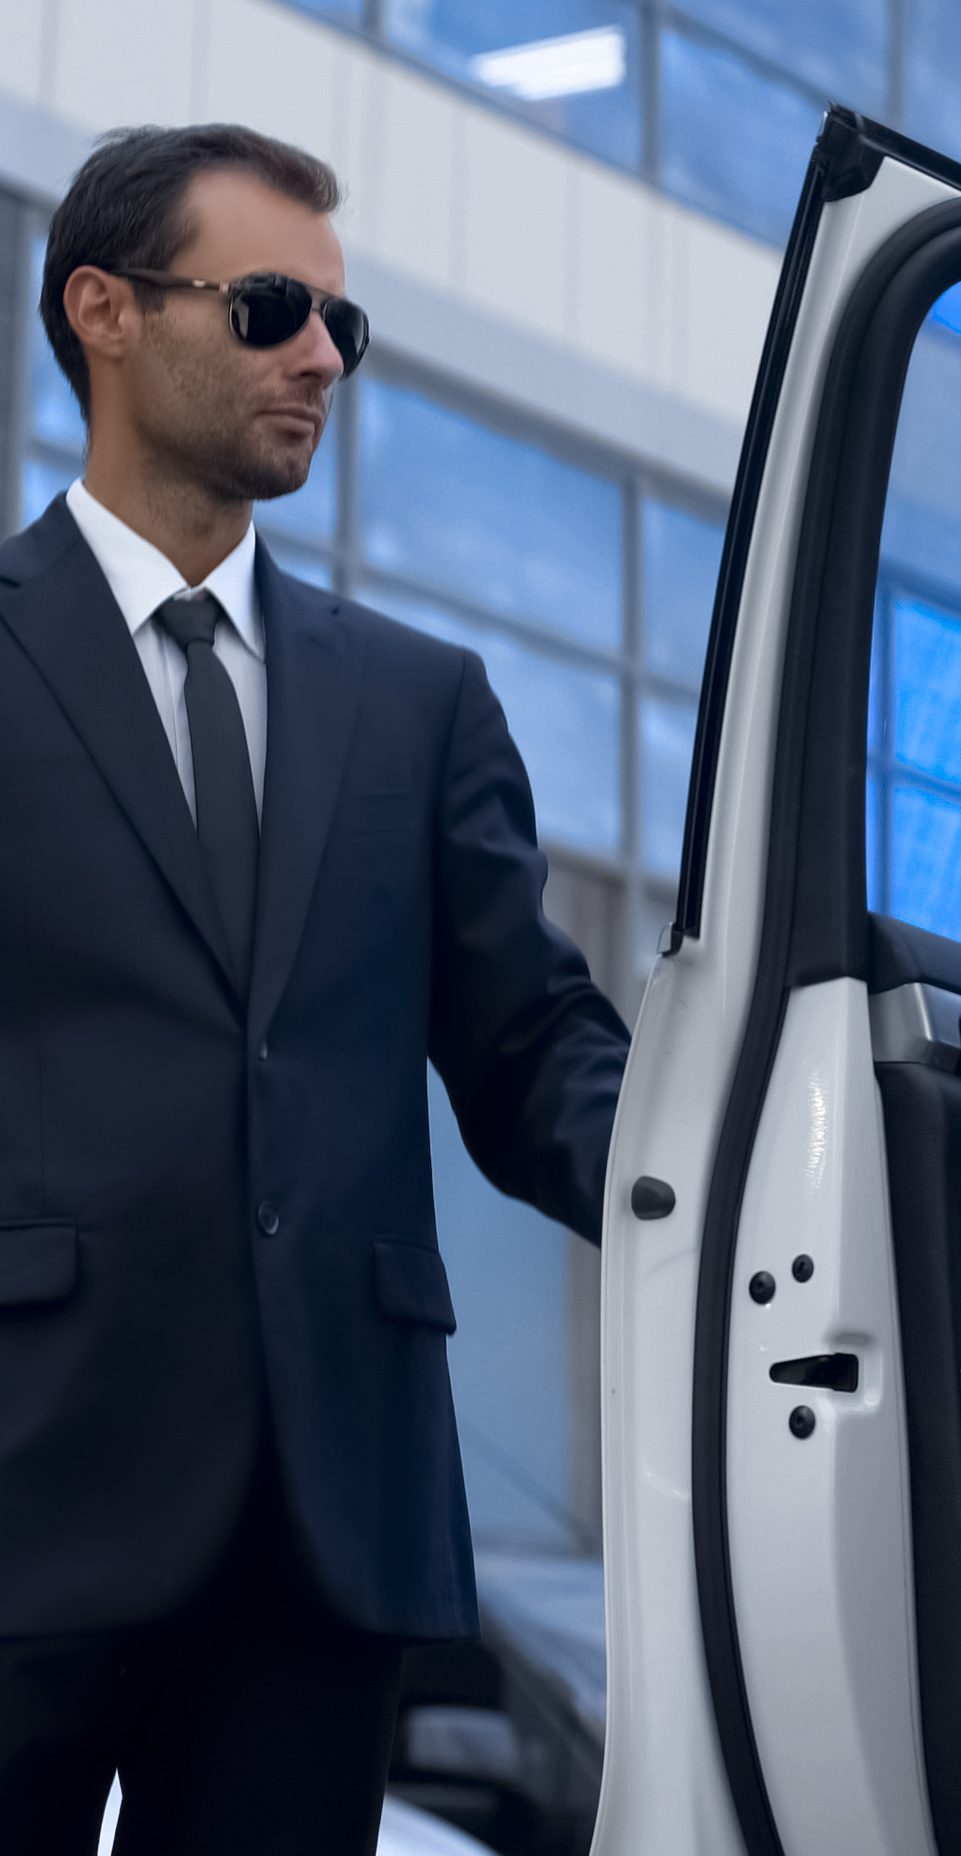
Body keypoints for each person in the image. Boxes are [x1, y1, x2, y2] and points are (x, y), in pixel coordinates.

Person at [0, 124, 631, 1854]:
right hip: (23, 1477)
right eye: (273, 307)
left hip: (323, 1522)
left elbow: (532, 1053)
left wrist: (739, 1195)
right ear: (102, 312)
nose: (318, 360)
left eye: (341, 329)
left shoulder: (421, 704)